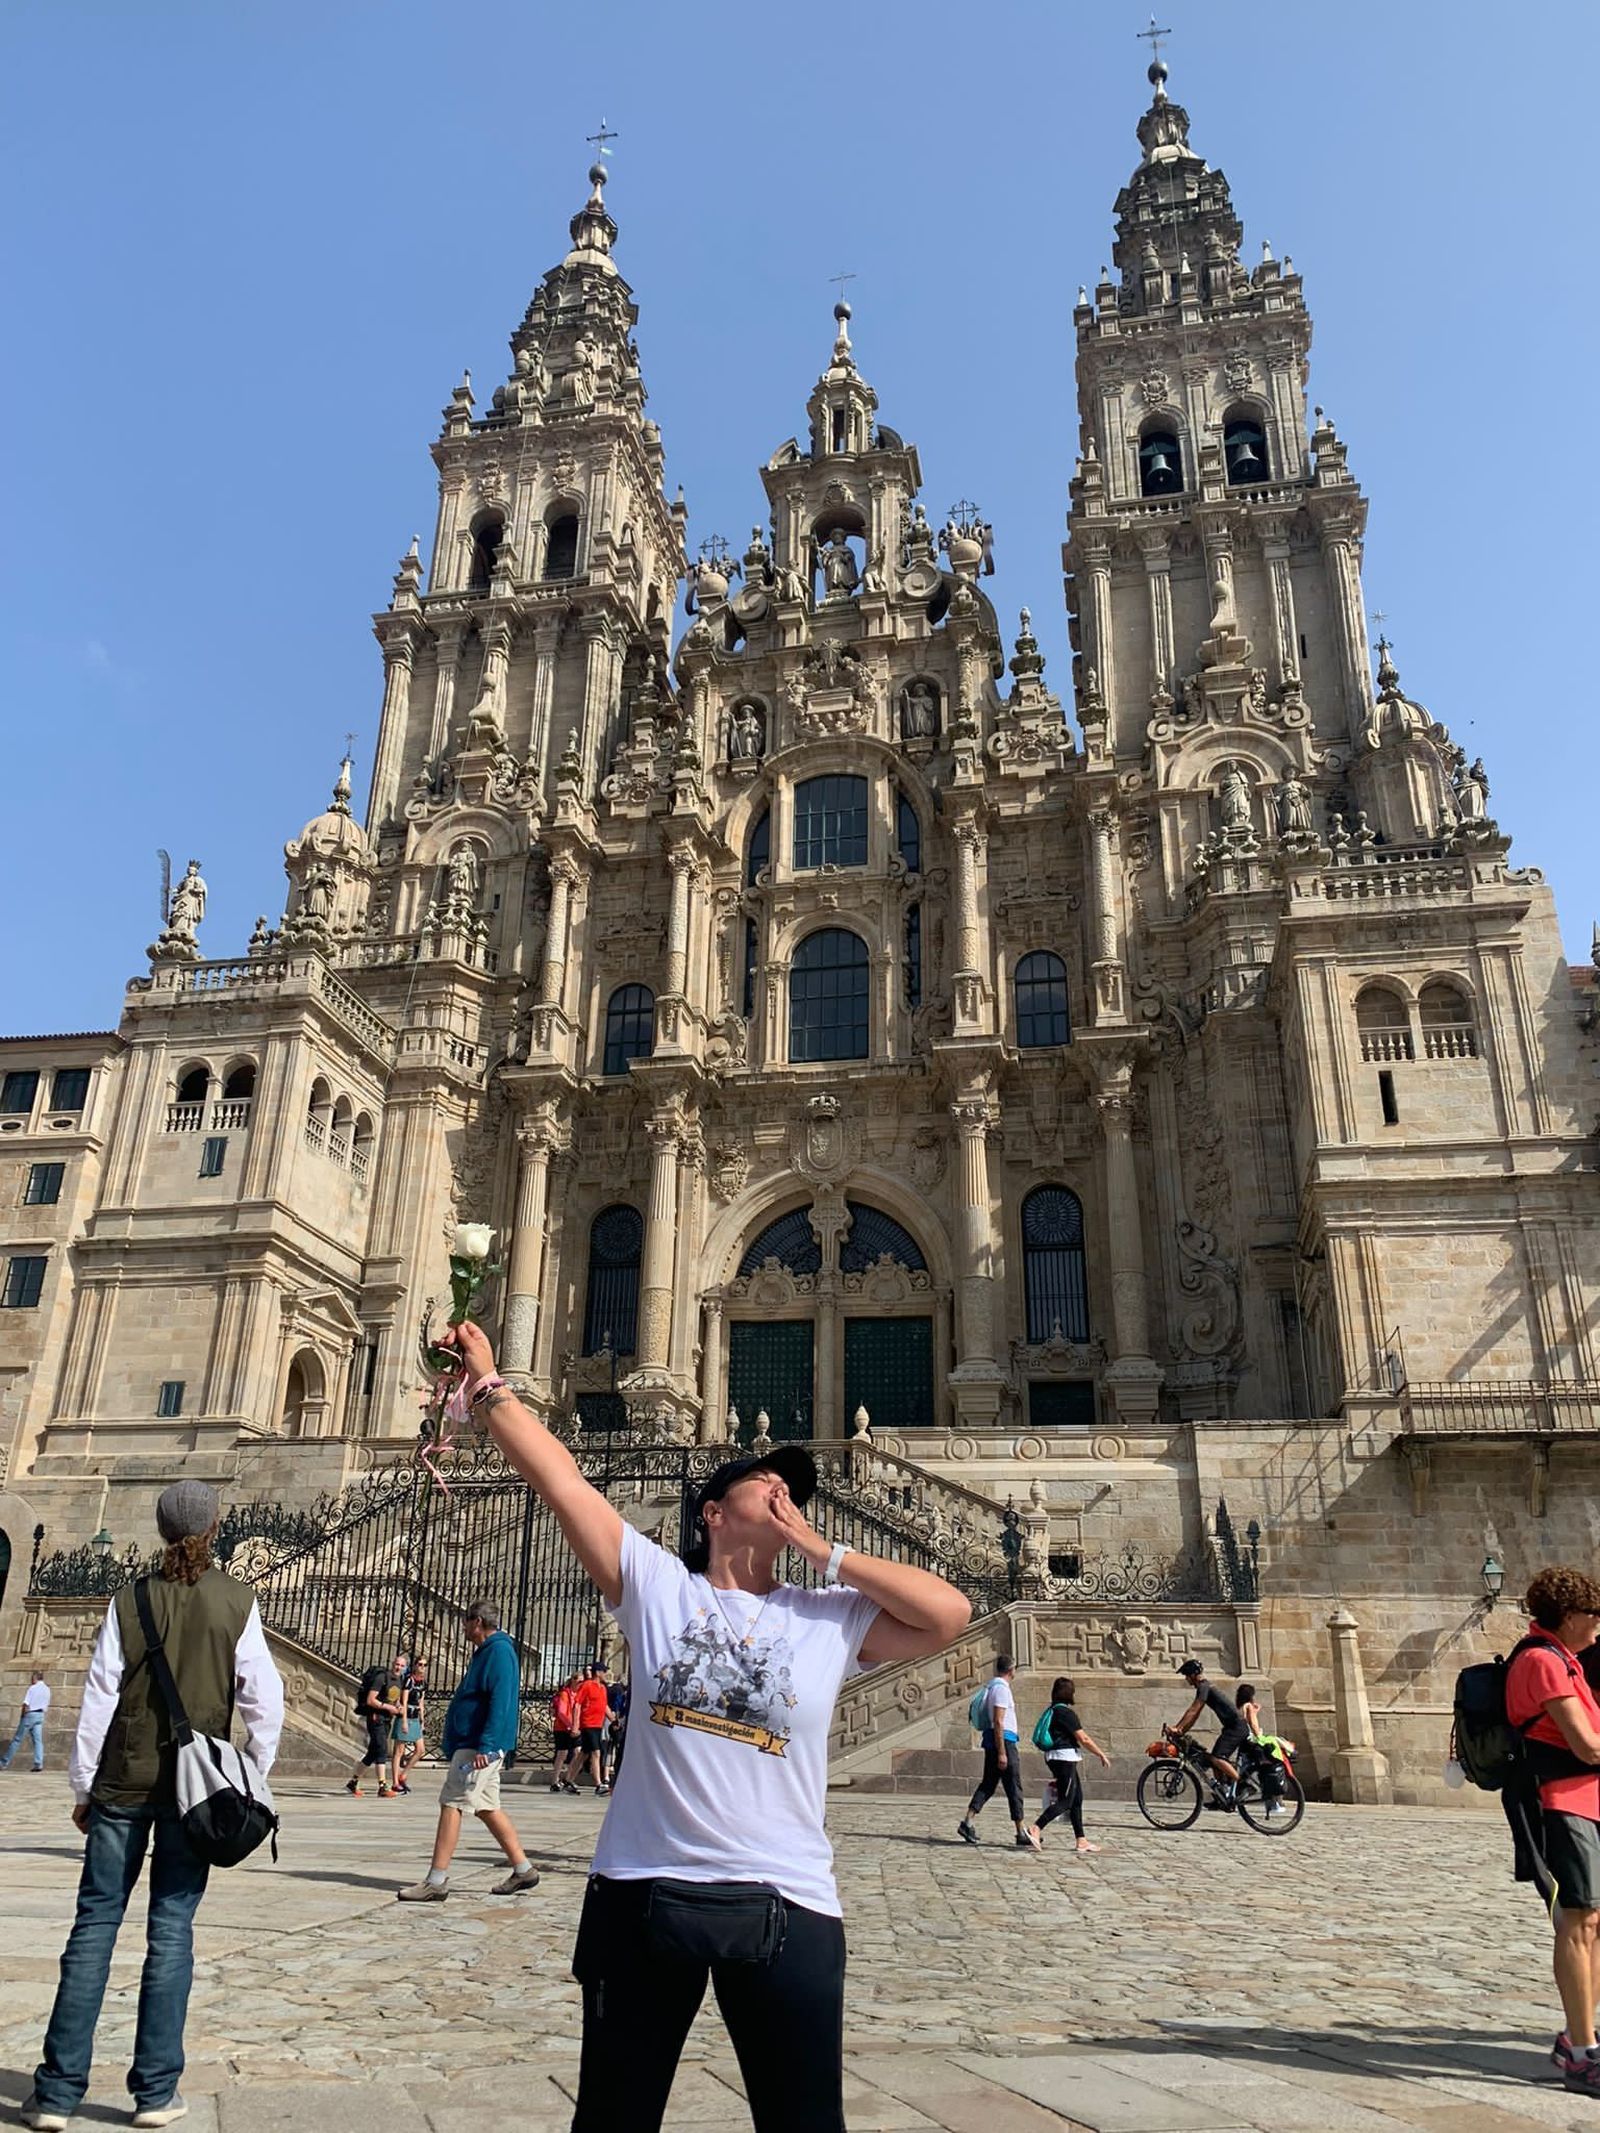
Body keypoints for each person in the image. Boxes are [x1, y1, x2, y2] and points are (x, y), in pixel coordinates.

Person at [442, 1317, 970, 2133]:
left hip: (787, 1897)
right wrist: (489, 1384)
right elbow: (564, 1483)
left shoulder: (829, 1616)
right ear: (713, 1512)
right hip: (643, 1887)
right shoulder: (659, 1588)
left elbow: (948, 1614)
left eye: (793, 1485)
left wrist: (824, 1550)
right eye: (767, 1479)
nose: (785, 1490)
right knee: (614, 2120)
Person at [21, 1481, 283, 2133]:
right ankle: (156, 2091)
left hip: (122, 1785)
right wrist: (248, 1772)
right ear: (216, 1527)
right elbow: (266, 1703)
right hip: (196, 1795)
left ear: (163, 1529)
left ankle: (56, 2093)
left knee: (93, 1927)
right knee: (171, 1931)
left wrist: (85, 1785)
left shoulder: (129, 1597)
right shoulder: (236, 1600)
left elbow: (100, 1695)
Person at [1503, 1566, 1600, 2095]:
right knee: (1577, 1922)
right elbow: (1586, 1745)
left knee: (1595, 1922)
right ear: (1568, 1616)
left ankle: (1578, 2036)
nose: (1597, 1626)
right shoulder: (1542, 1661)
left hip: (1585, 1801)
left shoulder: (1567, 1661)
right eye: (1592, 1616)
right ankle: (1583, 2053)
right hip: (1558, 1804)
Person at [396, 1599, 541, 1903]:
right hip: (475, 1743)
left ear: (477, 1622)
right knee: (487, 1806)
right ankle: (523, 1869)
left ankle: (436, 1880)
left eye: (466, 1621)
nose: (462, 1626)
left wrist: (487, 1746)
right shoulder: (488, 1652)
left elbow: (501, 1701)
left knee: (452, 1802)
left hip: (478, 1746)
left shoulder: (499, 1652)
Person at [957, 1655, 1039, 1851]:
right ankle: (1020, 1832)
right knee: (1014, 1787)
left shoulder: (991, 1686)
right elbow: (999, 1720)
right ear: (1011, 1670)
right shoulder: (1001, 1690)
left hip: (994, 1741)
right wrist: (1002, 1752)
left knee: (989, 1784)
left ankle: (967, 1822)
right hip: (1003, 1742)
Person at [1025, 1677, 1111, 1854]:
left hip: (1058, 1757)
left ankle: (1081, 1840)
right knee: (1066, 1800)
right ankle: (1036, 1827)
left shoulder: (1053, 1710)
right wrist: (1100, 1753)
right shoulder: (1066, 1713)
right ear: (1069, 1694)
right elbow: (1083, 1738)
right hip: (1064, 1758)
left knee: (1076, 1798)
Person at [1171, 1657, 1249, 1799]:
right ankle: (1222, 1795)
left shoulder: (1203, 1687)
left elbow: (1193, 1710)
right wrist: (1182, 1730)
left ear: (1193, 1675)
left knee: (1217, 1758)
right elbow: (1195, 1715)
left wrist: (1178, 1728)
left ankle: (1243, 1784)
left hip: (1236, 1727)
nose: (1187, 1680)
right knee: (1214, 1760)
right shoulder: (1204, 1688)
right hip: (1232, 1727)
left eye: (1187, 1676)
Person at [346, 1651, 406, 1798]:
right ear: (392, 1664)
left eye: (402, 1666)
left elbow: (394, 1698)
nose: (398, 1667)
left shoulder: (399, 1680)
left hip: (387, 1719)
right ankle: (382, 1786)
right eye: (396, 1664)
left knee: (372, 1752)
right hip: (376, 1716)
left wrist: (398, 1707)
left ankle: (352, 1782)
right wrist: (387, 1707)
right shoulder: (381, 1678)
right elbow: (371, 1700)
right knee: (382, 1749)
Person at [1235, 1680, 1290, 1819]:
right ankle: (1274, 1801)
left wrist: (1255, 1711)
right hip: (1252, 1741)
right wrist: (1261, 1737)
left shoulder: (1241, 1707)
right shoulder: (1248, 1706)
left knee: (1245, 1769)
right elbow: (1253, 1726)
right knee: (1272, 1761)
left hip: (1243, 1742)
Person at [390, 1657, 427, 1796]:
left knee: (420, 1750)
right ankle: (395, 1782)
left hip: (415, 1718)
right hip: (405, 1716)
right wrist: (404, 1720)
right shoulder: (409, 1680)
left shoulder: (422, 1682)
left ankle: (403, 1775)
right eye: (420, 1664)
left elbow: (421, 1702)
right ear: (415, 1665)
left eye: (424, 1665)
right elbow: (404, 1701)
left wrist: (422, 1721)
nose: (422, 1667)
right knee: (399, 1751)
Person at [2, 1670, 51, 1771]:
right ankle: (38, 1763)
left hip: (30, 1714)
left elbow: (26, 1703)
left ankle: (3, 1762)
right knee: (38, 1741)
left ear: (35, 1678)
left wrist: (22, 1716)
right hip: (40, 1715)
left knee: (17, 1739)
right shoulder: (47, 1689)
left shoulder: (32, 1688)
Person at [575, 1662, 612, 1796]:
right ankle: (598, 1784)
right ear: (598, 1672)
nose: (605, 1674)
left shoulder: (602, 1688)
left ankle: (568, 1780)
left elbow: (604, 1706)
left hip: (598, 1724)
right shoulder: (587, 1685)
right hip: (588, 1724)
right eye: (604, 1671)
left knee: (584, 1753)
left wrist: (613, 1719)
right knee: (596, 1753)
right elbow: (578, 1704)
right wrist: (575, 1724)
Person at [550, 1671, 582, 1793]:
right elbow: (562, 1712)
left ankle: (568, 1778)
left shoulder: (578, 1694)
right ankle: (554, 1780)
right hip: (562, 1728)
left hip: (575, 1728)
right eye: (579, 1681)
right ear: (573, 1681)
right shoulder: (565, 1693)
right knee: (562, 1754)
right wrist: (571, 1725)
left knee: (578, 1752)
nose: (580, 1684)